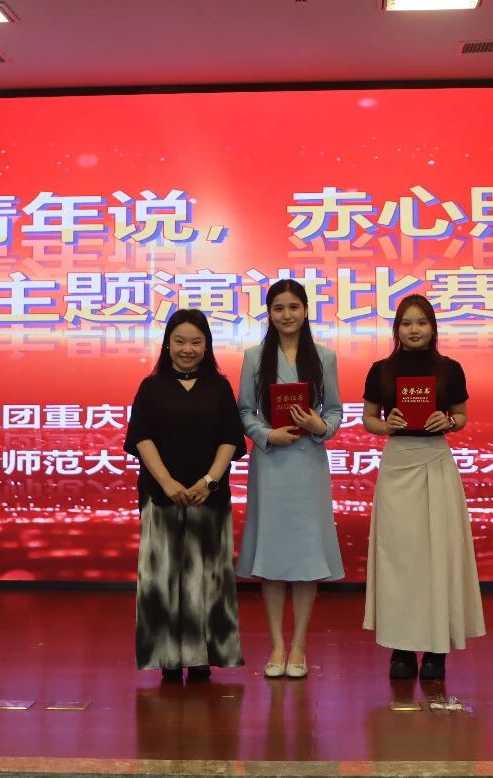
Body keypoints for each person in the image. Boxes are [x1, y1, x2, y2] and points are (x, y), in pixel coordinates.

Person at [361, 293, 485, 681]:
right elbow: (368, 419)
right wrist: (387, 425)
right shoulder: (380, 370)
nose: (414, 330)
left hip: (436, 462)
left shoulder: (450, 369)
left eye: (421, 322)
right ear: (396, 329)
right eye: (406, 323)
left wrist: (449, 422)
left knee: (437, 555)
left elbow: (461, 415)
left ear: (433, 327)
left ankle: (436, 650)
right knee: (399, 558)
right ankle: (400, 648)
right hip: (398, 464)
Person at [123, 308, 247, 681]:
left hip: (209, 497)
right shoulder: (151, 387)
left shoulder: (219, 387)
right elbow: (141, 438)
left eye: (195, 341)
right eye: (179, 341)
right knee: (162, 577)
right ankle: (168, 658)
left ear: (207, 345)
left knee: (207, 577)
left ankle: (201, 656)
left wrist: (208, 481)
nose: (187, 349)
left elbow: (230, 439)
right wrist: (167, 483)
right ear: (167, 344)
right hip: (161, 496)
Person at [236, 279, 345, 680]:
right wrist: (267, 435)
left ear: (305, 310)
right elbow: (244, 411)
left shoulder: (324, 356)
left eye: (293, 307)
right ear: (269, 313)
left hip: (308, 463)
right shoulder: (253, 357)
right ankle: (276, 645)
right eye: (278, 308)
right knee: (273, 556)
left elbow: (335, 411)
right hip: (271, 464)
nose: (286, 314)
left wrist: (320, 426)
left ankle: (298, 644)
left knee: (305, 554)